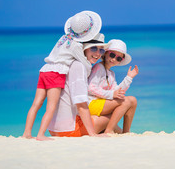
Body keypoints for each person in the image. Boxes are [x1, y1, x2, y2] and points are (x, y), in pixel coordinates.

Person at [22, 11, 102, 141]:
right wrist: (88, 71)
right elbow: (83, 62)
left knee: (36, 104)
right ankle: (41, 134)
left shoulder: (63, 38)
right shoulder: (76, 45)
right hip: (56, 72)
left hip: (45, 69)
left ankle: (26, 133)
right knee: (51, 106)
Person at [48, 33, 116, 137]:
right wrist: (93, 134)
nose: (98, 54)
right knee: (112, 117)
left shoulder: (70, 64)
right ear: (84, 49)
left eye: (101, 50)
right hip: (68, 130)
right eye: (93, 48)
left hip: (54, 128)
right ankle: (122, 133)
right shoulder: (79, 67)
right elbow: (81, 104)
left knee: (102, 115)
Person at [87, 39, 139, 134]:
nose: (114, 59)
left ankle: (126, 132)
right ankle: (109, 130)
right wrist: (111, 94)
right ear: (105, 54)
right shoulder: (99, 67)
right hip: (91, 103)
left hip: (101, 103)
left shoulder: (111, 73)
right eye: (112, 55)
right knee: (126, 101)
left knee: (133, 100)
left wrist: (129, 78)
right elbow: (91, 88)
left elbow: (117, 91)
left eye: (118, 58)